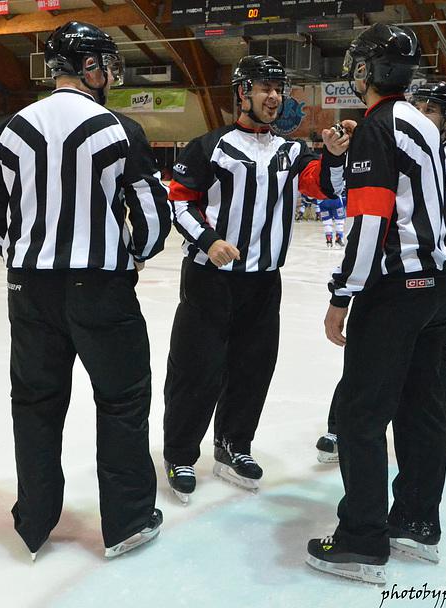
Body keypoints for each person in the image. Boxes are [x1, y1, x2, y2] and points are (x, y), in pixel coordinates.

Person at [0, 21, 171, 560]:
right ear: (89, 67)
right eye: (106, 64)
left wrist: (21, 255)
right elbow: (153, 217)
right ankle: (127, 522)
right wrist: (132, 255)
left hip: (29, 289)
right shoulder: (119, 129)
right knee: (122, 401)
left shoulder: (12, 128)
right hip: (101, 287)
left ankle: (35, 520)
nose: (111, 74)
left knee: (35, 403)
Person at [306, 24, 446, 585]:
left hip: (395, 294)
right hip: (440, 291)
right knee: (422, 413)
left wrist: (342, 293)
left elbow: (370, 222)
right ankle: (416, 523)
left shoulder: (378, 127)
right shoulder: (420, 122)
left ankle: (362, 539)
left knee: (360, 415)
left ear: (365, 70)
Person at [163, 54, 348, 504]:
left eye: (279, 89)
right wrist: (209, 240)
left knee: (253, 368)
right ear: (242, 93)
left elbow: (324, 186)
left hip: (264, 282)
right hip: (210, 278)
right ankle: (180, 453)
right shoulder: (209, 147)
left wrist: (333, 155)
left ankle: (233, 445)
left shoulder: (291, 152)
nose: (274, 97)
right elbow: (179, 203)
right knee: (196, 368)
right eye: (265, 87)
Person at [315, 82, 446, 468]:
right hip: (392, 277)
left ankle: (388, 492)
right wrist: (339, 154)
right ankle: (339, 427)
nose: (423, 115)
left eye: (433, 110)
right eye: (420, 107)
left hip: (429, 283)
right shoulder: (394, 141)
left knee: (416, 388)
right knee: (368, 367)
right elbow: (342, 190)